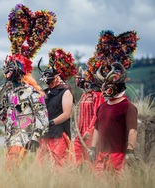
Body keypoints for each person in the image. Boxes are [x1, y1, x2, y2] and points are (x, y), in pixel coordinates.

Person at [0, 4, 55, 168]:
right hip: (10, 137)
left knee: (11, 169)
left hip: (24, 137)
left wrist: (35, 138)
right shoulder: (10, 92)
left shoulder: (33, 92)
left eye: (13, 68)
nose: (9, 72)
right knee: (11, 171)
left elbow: (42, 117)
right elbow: (4, 116)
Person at [89, 30, 139, 174]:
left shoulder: (127, 107)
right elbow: (97, 129)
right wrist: (93, 149)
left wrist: (130, 151)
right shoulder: (102, 106)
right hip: (101, 155)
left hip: (118, 155)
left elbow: (132, 130)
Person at [37, 48, 77, 167]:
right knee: (41, 165)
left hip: (59, 134)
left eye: (50, 82)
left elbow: (67, 114)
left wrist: (52, 122)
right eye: (47, 83)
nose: (49, 84)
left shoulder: (65, 92)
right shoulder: (45, 92)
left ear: (57, 78)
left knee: (58, 165)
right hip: (44, 134)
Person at [73, 58, 105, 166]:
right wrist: (77, 130)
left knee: (91, 163)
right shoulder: (84, 95)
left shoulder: (98, 95)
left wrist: (90, 130)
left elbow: (98, 115)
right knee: (76, 160)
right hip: (80, 133)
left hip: (90, 135)